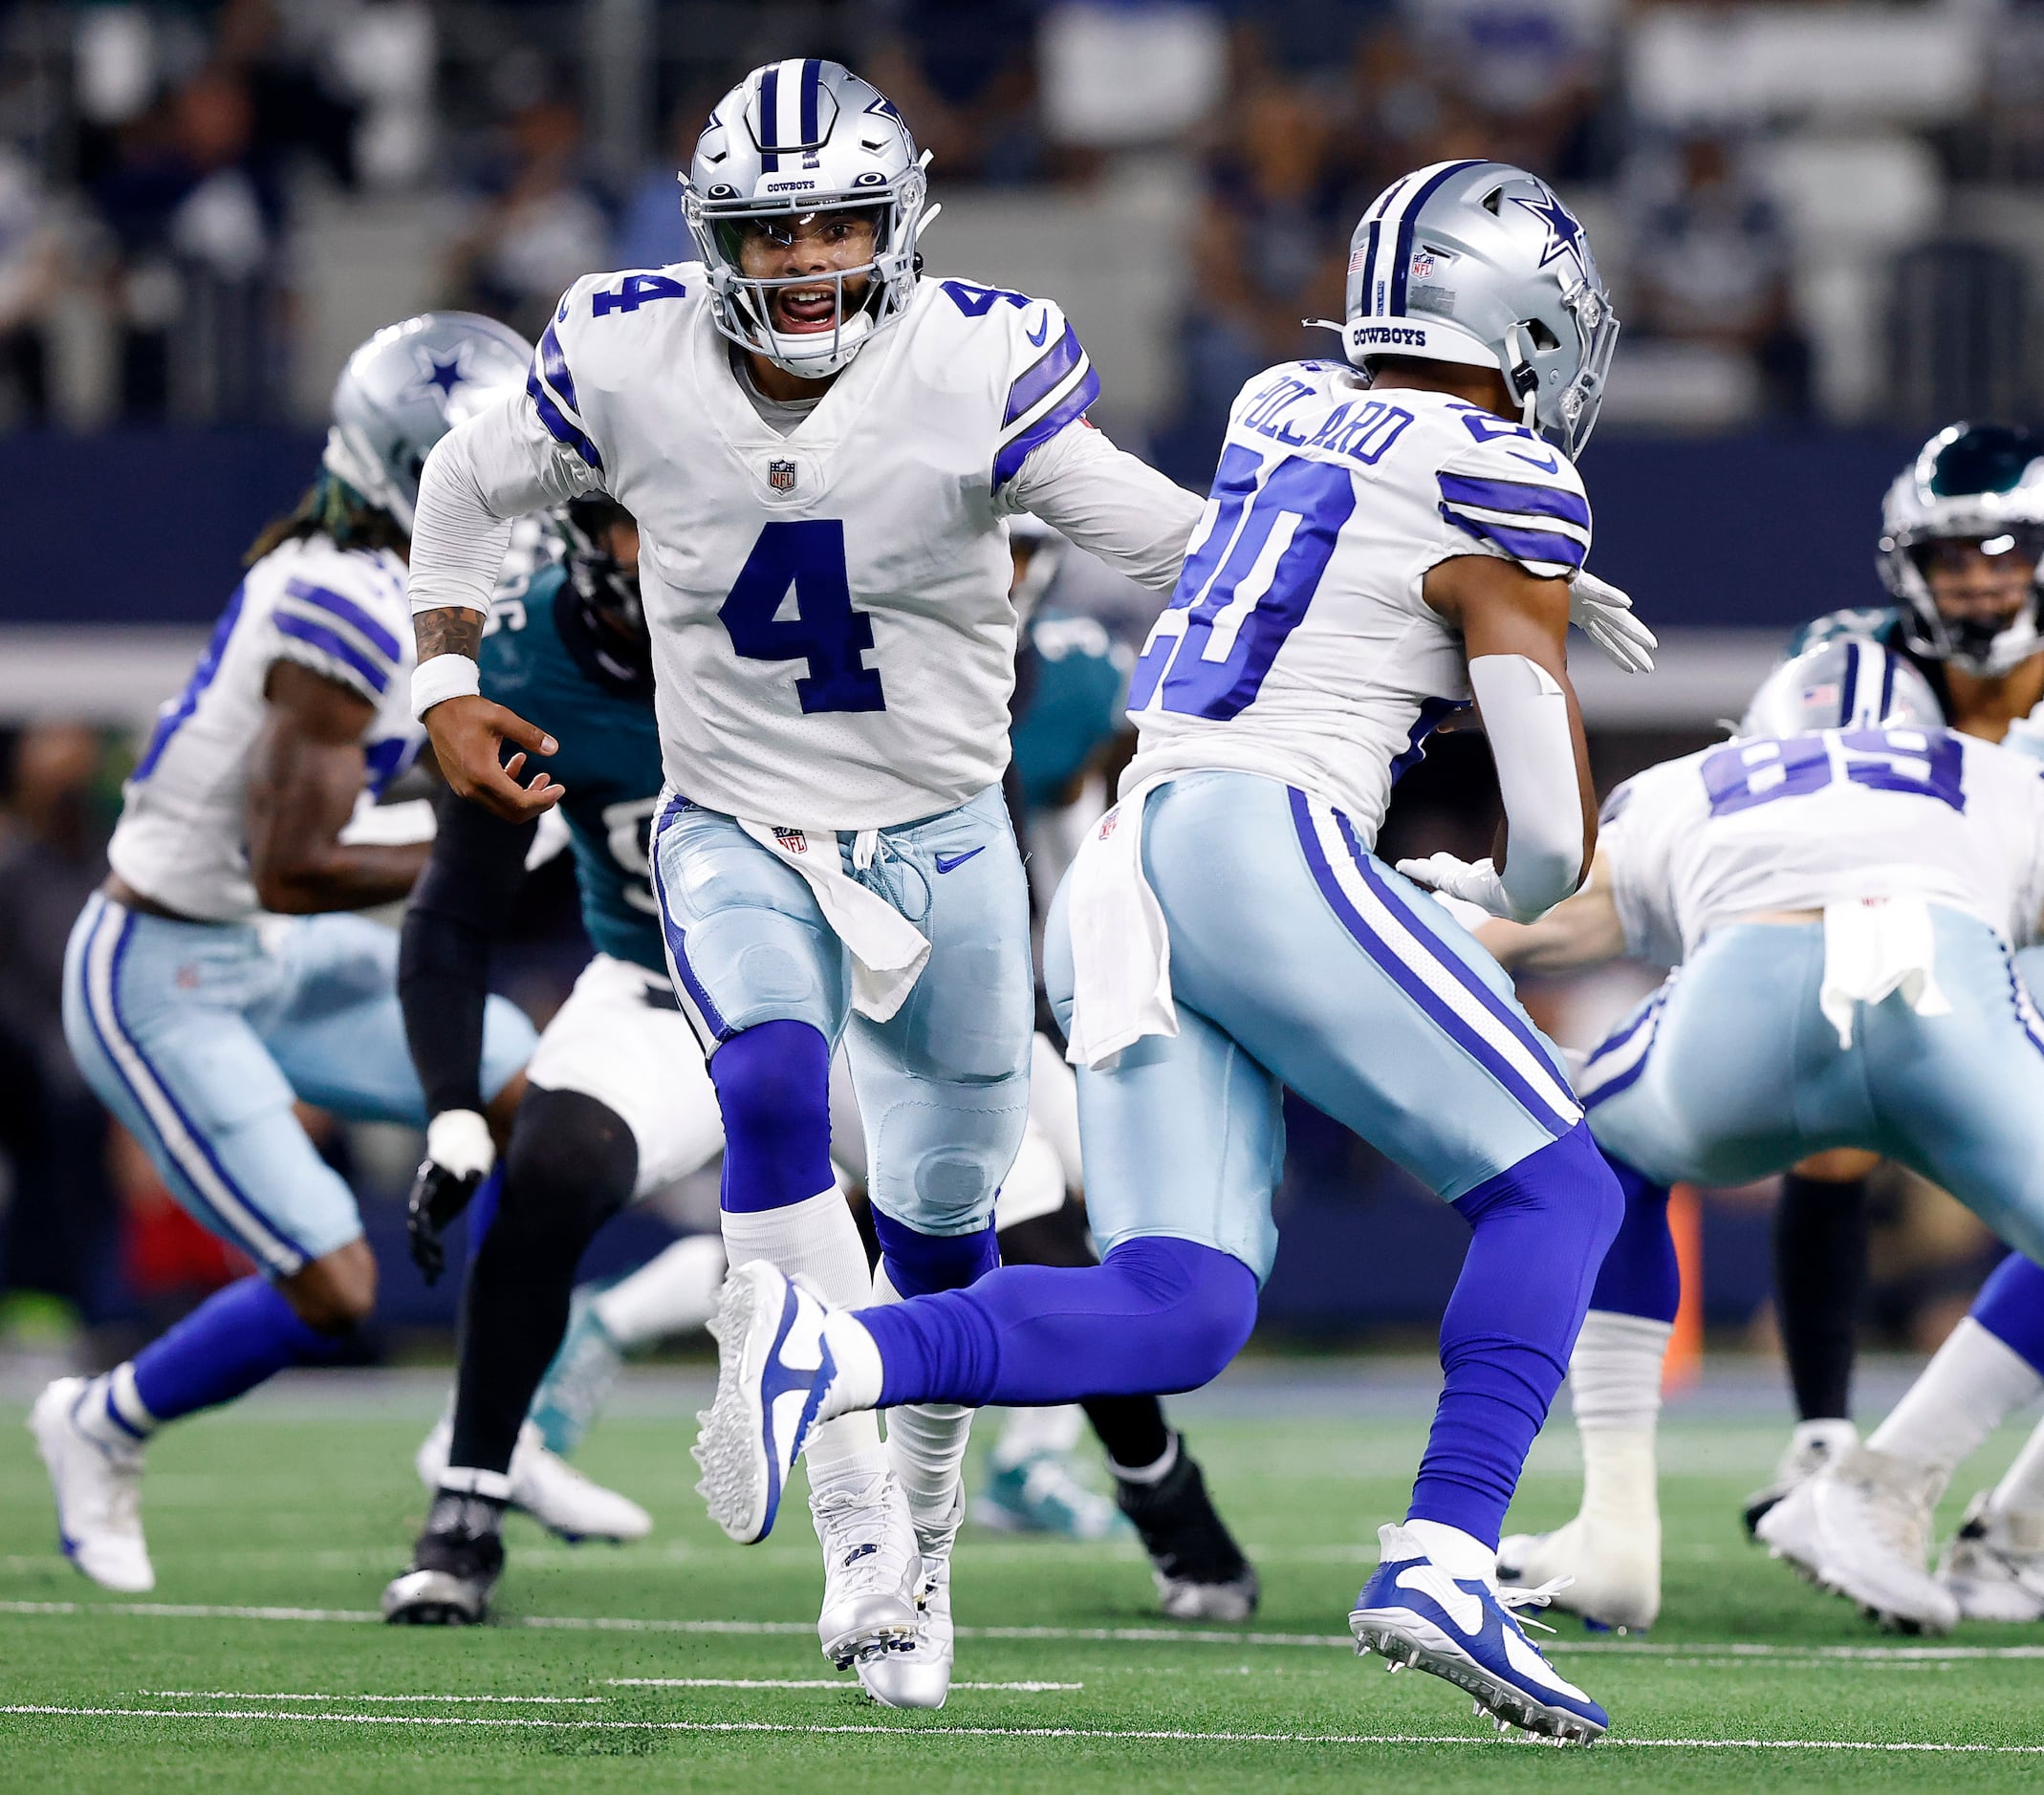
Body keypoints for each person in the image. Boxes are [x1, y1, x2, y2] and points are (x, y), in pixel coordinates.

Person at [696, 158, 1655, 1745]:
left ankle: (827, 1344)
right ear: (1520, 316)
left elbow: (1336, 547)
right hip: (1259, 842)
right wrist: (1483, 862)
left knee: (1182, 1302)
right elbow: (1551, 836)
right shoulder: (1504, 477)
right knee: (1558, 1182)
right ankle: (1444, 1551)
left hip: (1128, 862)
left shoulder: (1279, 400)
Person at [398, 59, 1221, 1709]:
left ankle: (918, 1553)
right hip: (736, 827)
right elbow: (459, 486)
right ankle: (849, 1525)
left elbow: (1153, 532)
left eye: (838, 222)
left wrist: (1348, 591)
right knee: (770, 1084)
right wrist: (437, 675)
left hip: (938, 839)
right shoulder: (625, 353)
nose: (803, 264)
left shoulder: (979, 360)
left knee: (940, 1239)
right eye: (769, 234)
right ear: (714, 240)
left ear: (897, 222)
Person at [387, 496, 1257, 1645]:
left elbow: (968, 814)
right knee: (547, 1168)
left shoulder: (825, 605)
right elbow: (452, 913)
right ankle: (468, 1502)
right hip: (655, 986)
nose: (671, 553)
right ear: (591, 542)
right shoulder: (535, 667)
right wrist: (454, 1107)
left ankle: (1158, 1489)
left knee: (1029, 1228)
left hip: (853, 988)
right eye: (642, 528)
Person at [29, 314, 541, 1593]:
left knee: (546, 1091)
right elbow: (291, 865)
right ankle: (102, 1422)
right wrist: (460, 851)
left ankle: (522, 1424)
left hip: (261, 953)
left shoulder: (376, 573)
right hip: (162, 971)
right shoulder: (343, 612)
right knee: (334, 1281)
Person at [1481, 640, 2044, 1634]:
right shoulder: (1992, 774)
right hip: (1937, 993)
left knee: (1595, 1142)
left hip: (1745, 1008)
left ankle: (1612, 1530)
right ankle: (1958, 1505)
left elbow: (1536, 926)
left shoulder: (1697, 782)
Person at [1745, 423, 2044, 1541]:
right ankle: (1825, 1437)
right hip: (1907, 929)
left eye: (2002, 550)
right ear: (1905, 566)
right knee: (1832, 1126)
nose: (1976, 578)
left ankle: (2000, 1521)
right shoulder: (1852, 669)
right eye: (1950, 557)